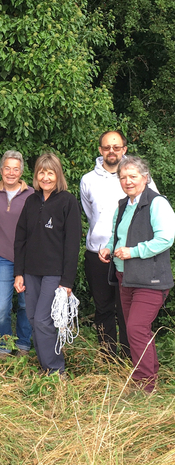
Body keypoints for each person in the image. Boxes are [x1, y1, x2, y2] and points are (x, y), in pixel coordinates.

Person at [99, 156, 175, 393]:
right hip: (126, 278)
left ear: (145, 177)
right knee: (136, 330)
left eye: (133, 176)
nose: (128, 181)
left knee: (136, 329)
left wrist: (133, 252)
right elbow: (117, 236)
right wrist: (109, 248)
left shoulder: (157, 203)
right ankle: (148, 380)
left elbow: (166, 238)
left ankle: (144, 385)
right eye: (123, 177)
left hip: (150, 279)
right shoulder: (123, 204)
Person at [81, 131, 158, 358]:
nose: (111, 151)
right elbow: (90, 214)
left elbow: (153, 208)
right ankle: (108, 357)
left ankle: (128, 357)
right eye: (106, 147)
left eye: (116, 147)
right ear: (100, 150)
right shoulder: (88, 180)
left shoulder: (137, 176)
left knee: (127, 311)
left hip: (130, 255)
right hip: (98, 254)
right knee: (103, 307)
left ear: (124, 149)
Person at [14, 153, 82, 375]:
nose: (45, 177)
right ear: (36, 175)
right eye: (41, 172)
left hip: (55, 274)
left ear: (58, 175)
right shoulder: (31, 201)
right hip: (31, 271)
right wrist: (19, 273)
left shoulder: (68, 201)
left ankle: (55, 371)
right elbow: (20, 239)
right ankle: (46, 366)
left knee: (44, 320)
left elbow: (73, 244)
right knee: (34, 319)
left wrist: (67, 281)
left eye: (50, 172)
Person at [0, 150, 33, 357]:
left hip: (29, 259)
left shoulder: (33, 195)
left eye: (15, 169)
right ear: (0, 170)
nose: (11, 173)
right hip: (3, 257)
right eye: (7, 168)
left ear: (21, 171)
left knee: (25, 305)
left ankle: (23, 345)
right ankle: (3, 346)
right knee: (1, 307)